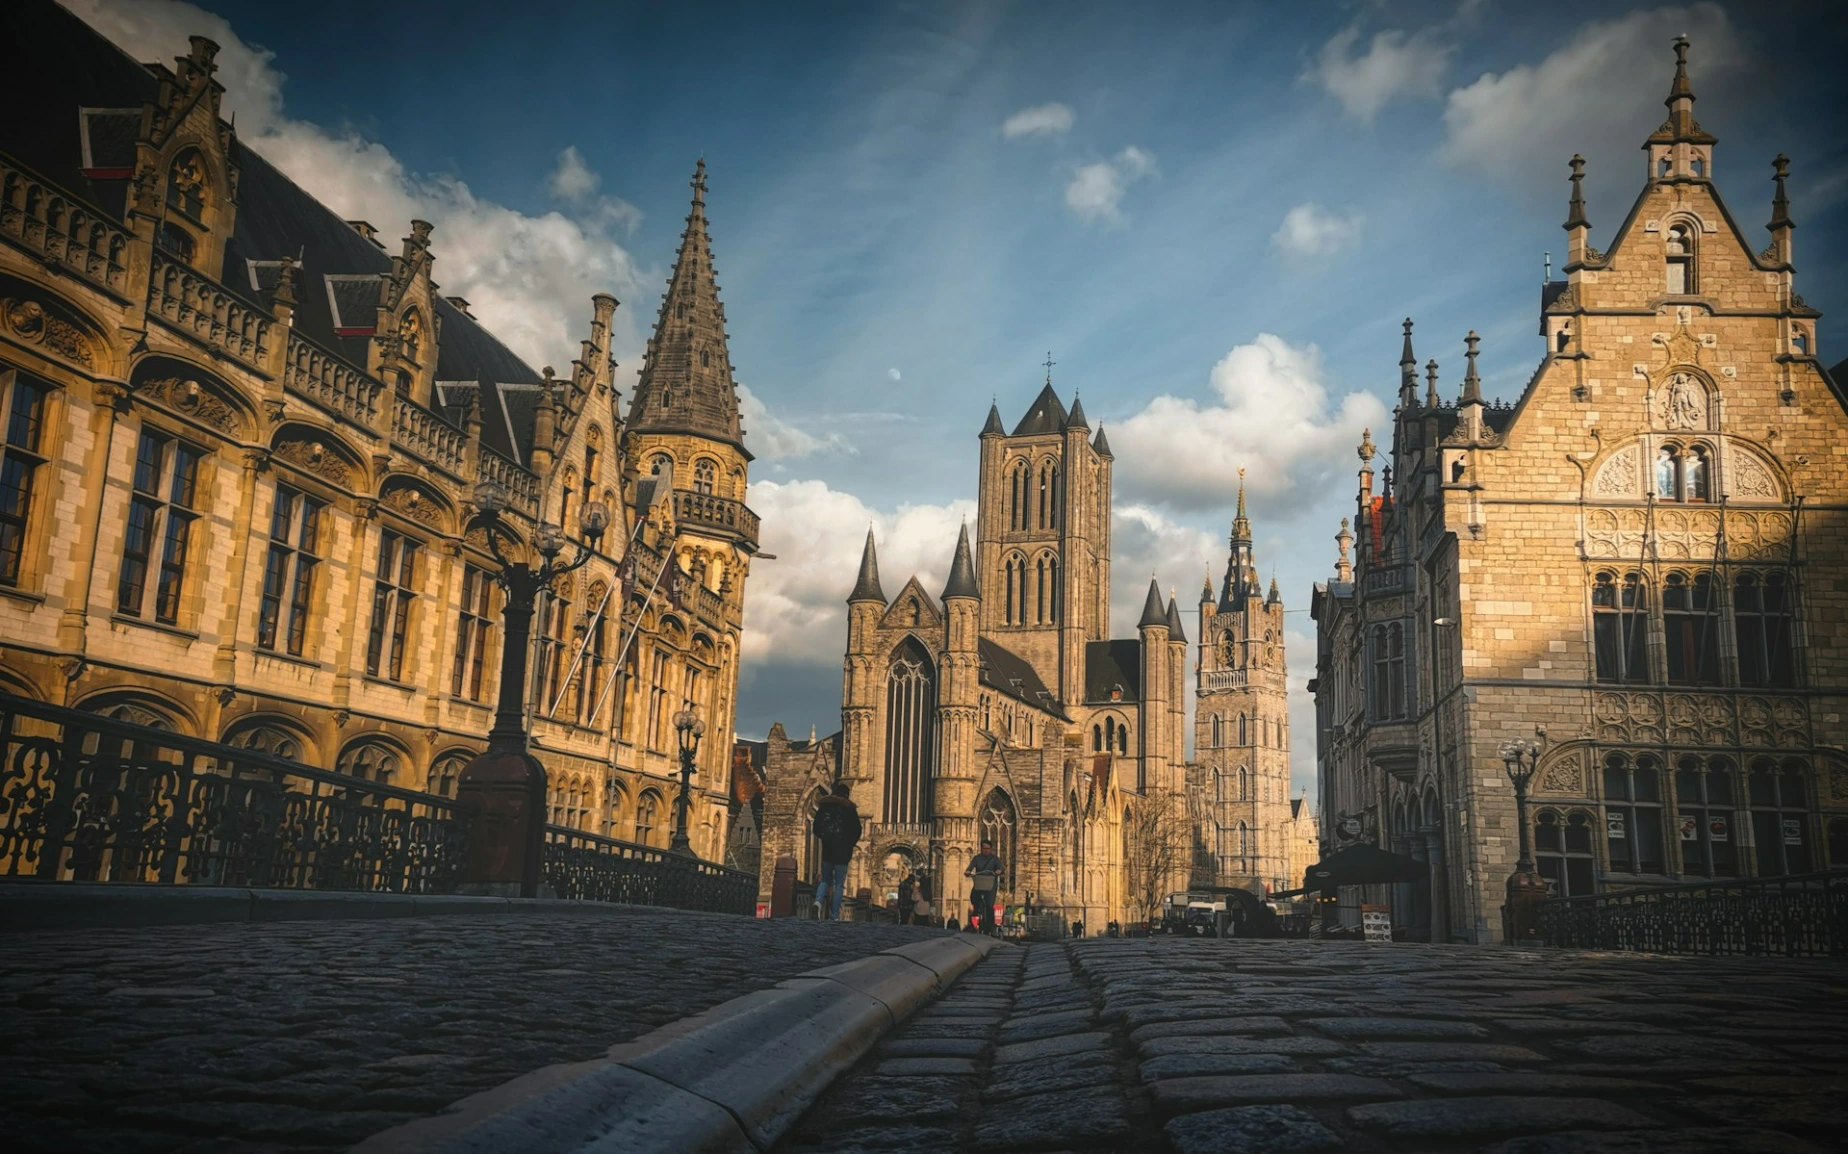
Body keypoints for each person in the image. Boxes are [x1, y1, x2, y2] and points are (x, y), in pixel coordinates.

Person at [810, 782, 861, 921]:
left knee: (825, 880)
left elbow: (816, 827)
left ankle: (818, 902)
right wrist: (849, 843)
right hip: (843, 852)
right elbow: (857, 830)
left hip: (828, 849)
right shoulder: (849, 809)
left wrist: (825, 838)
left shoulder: (825, 806)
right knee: (839, 885)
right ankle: (834, 916)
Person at [965, 840, 1003, 935]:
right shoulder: (976, 858)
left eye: (988, 849)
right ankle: (975, 916)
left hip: (990, 885)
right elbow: (970, 867)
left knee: (990, 905)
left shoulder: (994, 859)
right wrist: (968, 871)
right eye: (984, 848)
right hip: (979, 883)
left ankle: (991, 926)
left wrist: (999, 871)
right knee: (973, 897)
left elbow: (1001, 868)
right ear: (981, 849)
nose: (986, 850)